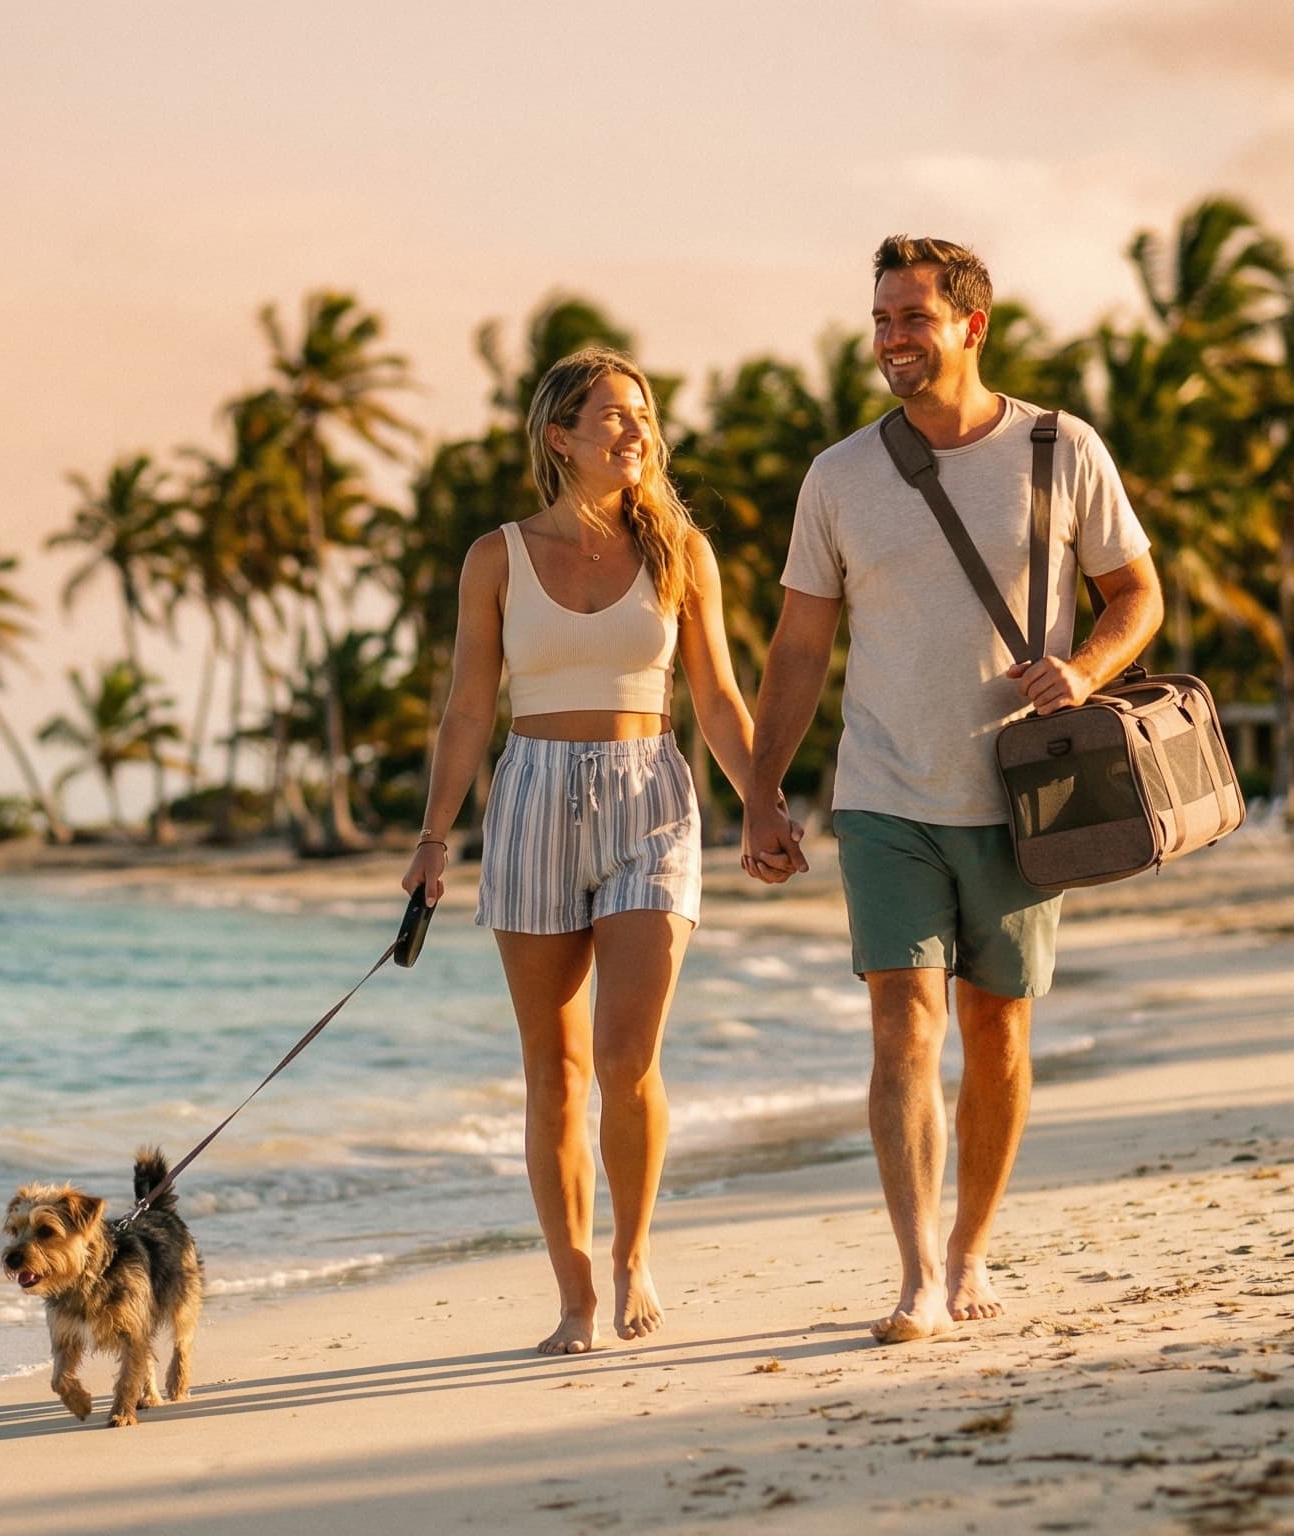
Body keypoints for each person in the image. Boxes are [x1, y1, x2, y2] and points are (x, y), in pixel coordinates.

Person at [743, 236, 1163, 1343]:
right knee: (903, 1030)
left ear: (971, 326)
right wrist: (760, 790)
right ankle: (917, 1272)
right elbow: (797, 650)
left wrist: (1081, 670)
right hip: (883, 793)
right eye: (881, 319)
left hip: (1027, 797)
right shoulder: (837, 476)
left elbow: (1136, 598)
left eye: (912, 319)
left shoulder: (1060, 448)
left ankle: (973, 1245)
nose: (890, 339)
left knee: (999, 1034)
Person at [402, 345, 801, 1355]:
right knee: (555, 1068)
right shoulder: (495, 557)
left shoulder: (680, 552)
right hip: (531, 796)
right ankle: (573, 1290)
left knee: (626, 1059)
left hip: (649, 800)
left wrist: (762, 803)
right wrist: (432, 837)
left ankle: (631, 1258)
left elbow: (716, 696)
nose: (634, 431)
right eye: (611, 416)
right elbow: (466, 710)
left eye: (641, 415)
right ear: (560, 436)